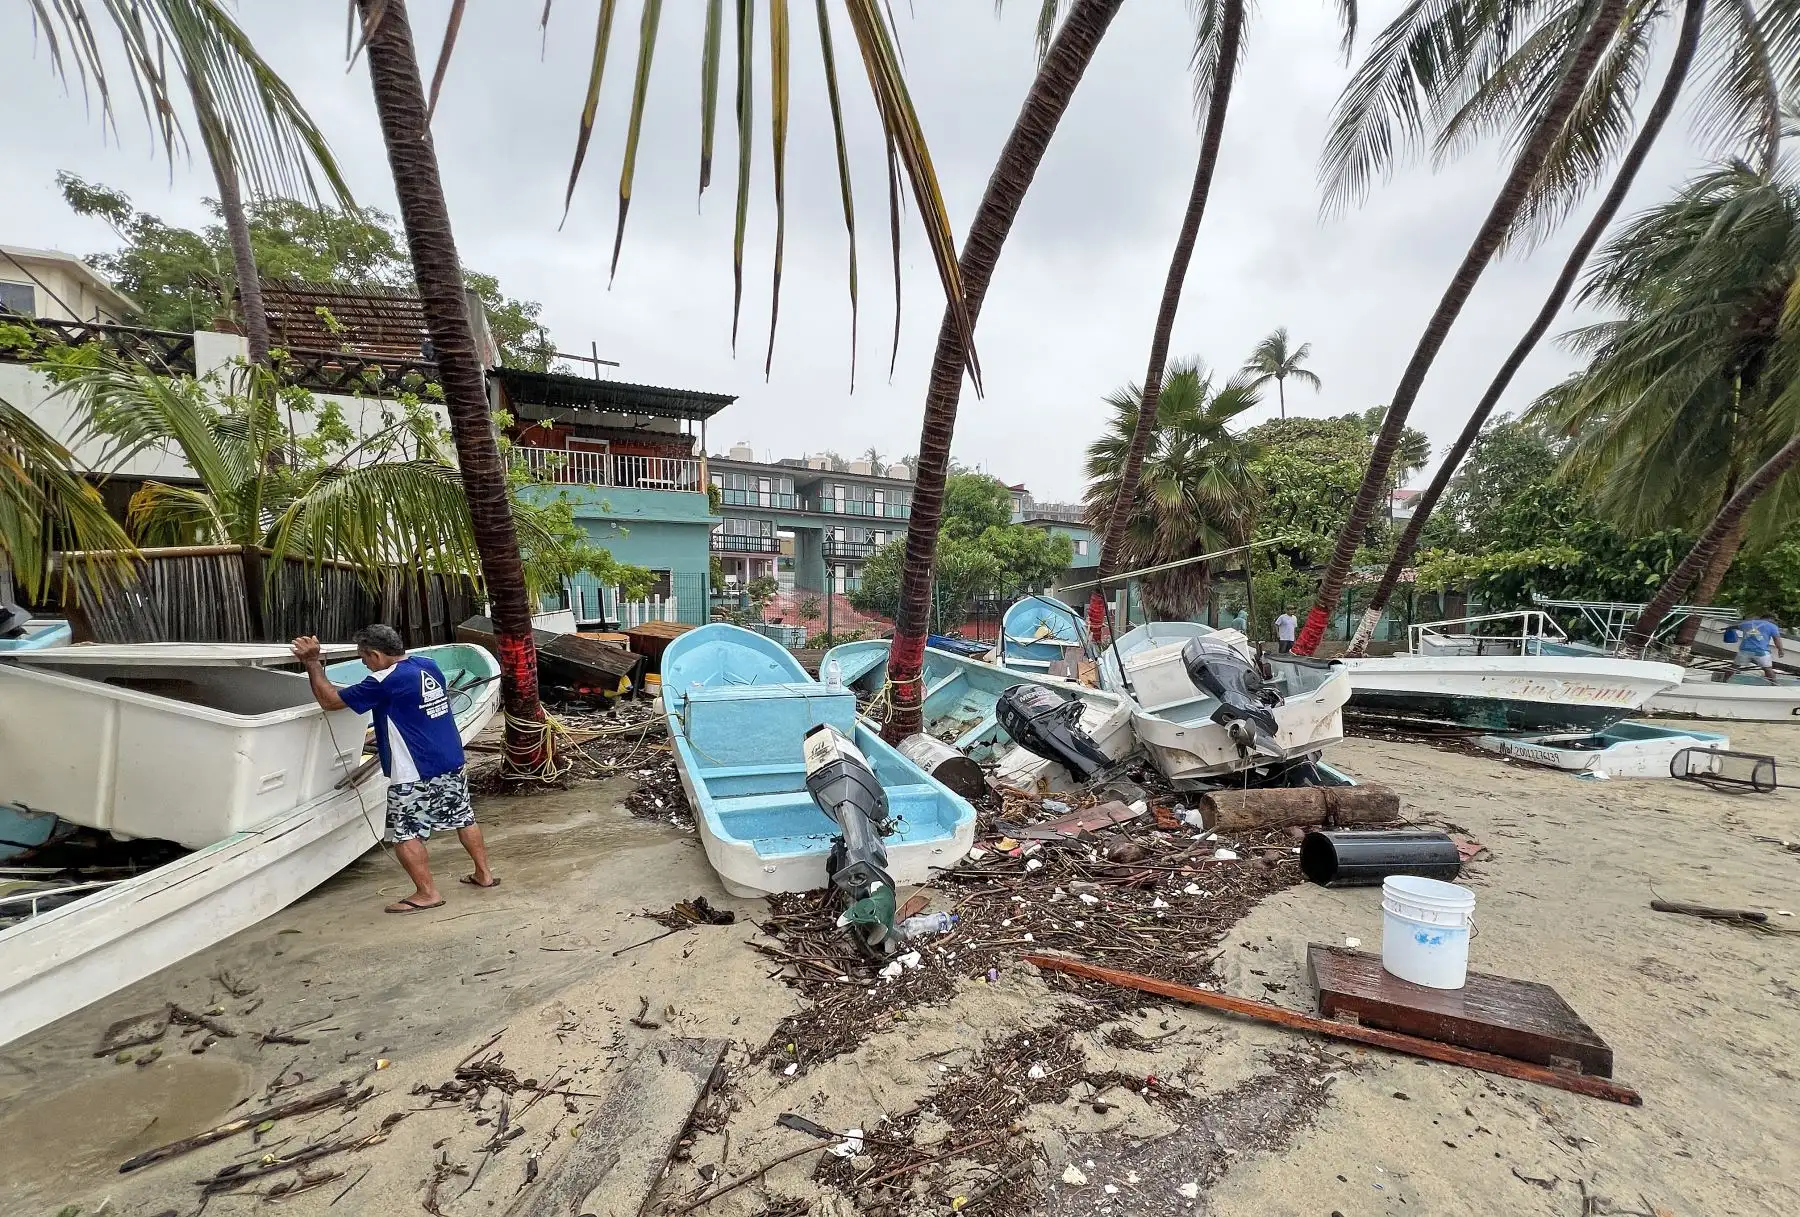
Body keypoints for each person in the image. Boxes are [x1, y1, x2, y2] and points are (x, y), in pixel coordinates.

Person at [293, 625, 498, 913]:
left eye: (364, 657)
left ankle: (427, 893)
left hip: (414, 768)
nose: (364, 664)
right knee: (463, 817)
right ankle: (484, 875)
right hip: (449, 757)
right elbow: (409, 706)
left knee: (404, 833)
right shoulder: (428, 665)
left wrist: (313, 662)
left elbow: (330, 701)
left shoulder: (384, 681)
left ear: (376, 655)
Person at [1732, 613, 1785, 685]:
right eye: (1775, 620)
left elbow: (1736, 626)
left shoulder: (1747, 623)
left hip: (1745, 650)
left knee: (1734, 666)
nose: (1775, 621)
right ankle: (1774, 684)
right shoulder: (1772, 626)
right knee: (1767, 669)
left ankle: (1723, 680)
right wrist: (1780, 650)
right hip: (1761, 651)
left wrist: (1726, 629)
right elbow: (1777, 639)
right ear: (1770, 618)